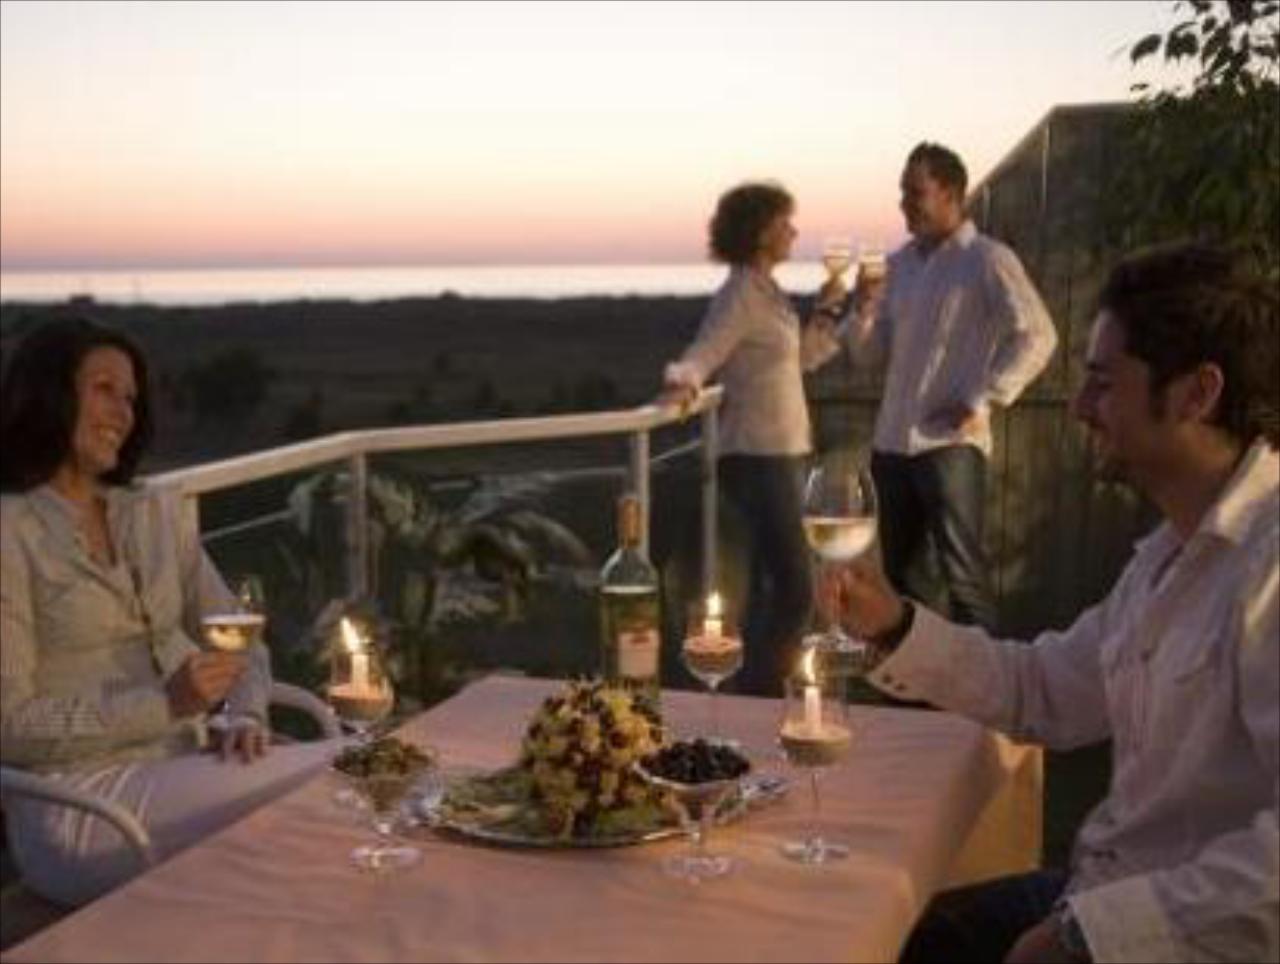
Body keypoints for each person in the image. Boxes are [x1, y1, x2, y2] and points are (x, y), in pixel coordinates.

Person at [823, 242, 1278, 963]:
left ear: (1197, 394)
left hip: (1172, 937)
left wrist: (1090, 939)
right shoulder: (1170, 555)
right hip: (1095, 890)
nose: (1078, 408)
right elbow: (1042, 689)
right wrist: (896, 624)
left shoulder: (1268, 570)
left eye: (1102, 383)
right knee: (874, 930)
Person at [0, 317, 337, 907]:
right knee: (351, 769)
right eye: (103, 389)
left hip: (182, 771)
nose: (124, 413)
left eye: (130, 397)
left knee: (334, 807)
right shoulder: (10, 530)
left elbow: (240, 639)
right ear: (48, 393)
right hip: (79, 808)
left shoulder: (153, 512)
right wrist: (163, 705)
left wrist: (247, 717)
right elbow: (10, 725)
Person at [816, 142, 1059, 631]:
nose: (904, 203)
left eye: (915, 192)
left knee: (963, 579)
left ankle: (983, 701)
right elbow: (869, 357)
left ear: (951, 194)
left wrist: (983, 399)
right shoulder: (898, 266)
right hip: (891, 448)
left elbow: (1039, 335)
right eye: (902, 192)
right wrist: (863, 309)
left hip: (950, 446)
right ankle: (912, 699)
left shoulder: (987, 260)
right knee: (902, 580)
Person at [660, 181, 841, 696]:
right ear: (762, 231)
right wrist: (682, 380)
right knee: (797, 590)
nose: (794, 232)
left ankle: (756, 692)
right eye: (786, 222)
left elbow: (797, 362)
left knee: (774, 586)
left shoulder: (766, 290)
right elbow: (706, 349)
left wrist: (830, 308)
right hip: (759, 456)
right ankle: (763, 695)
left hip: (783, 451)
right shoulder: (741, 292)